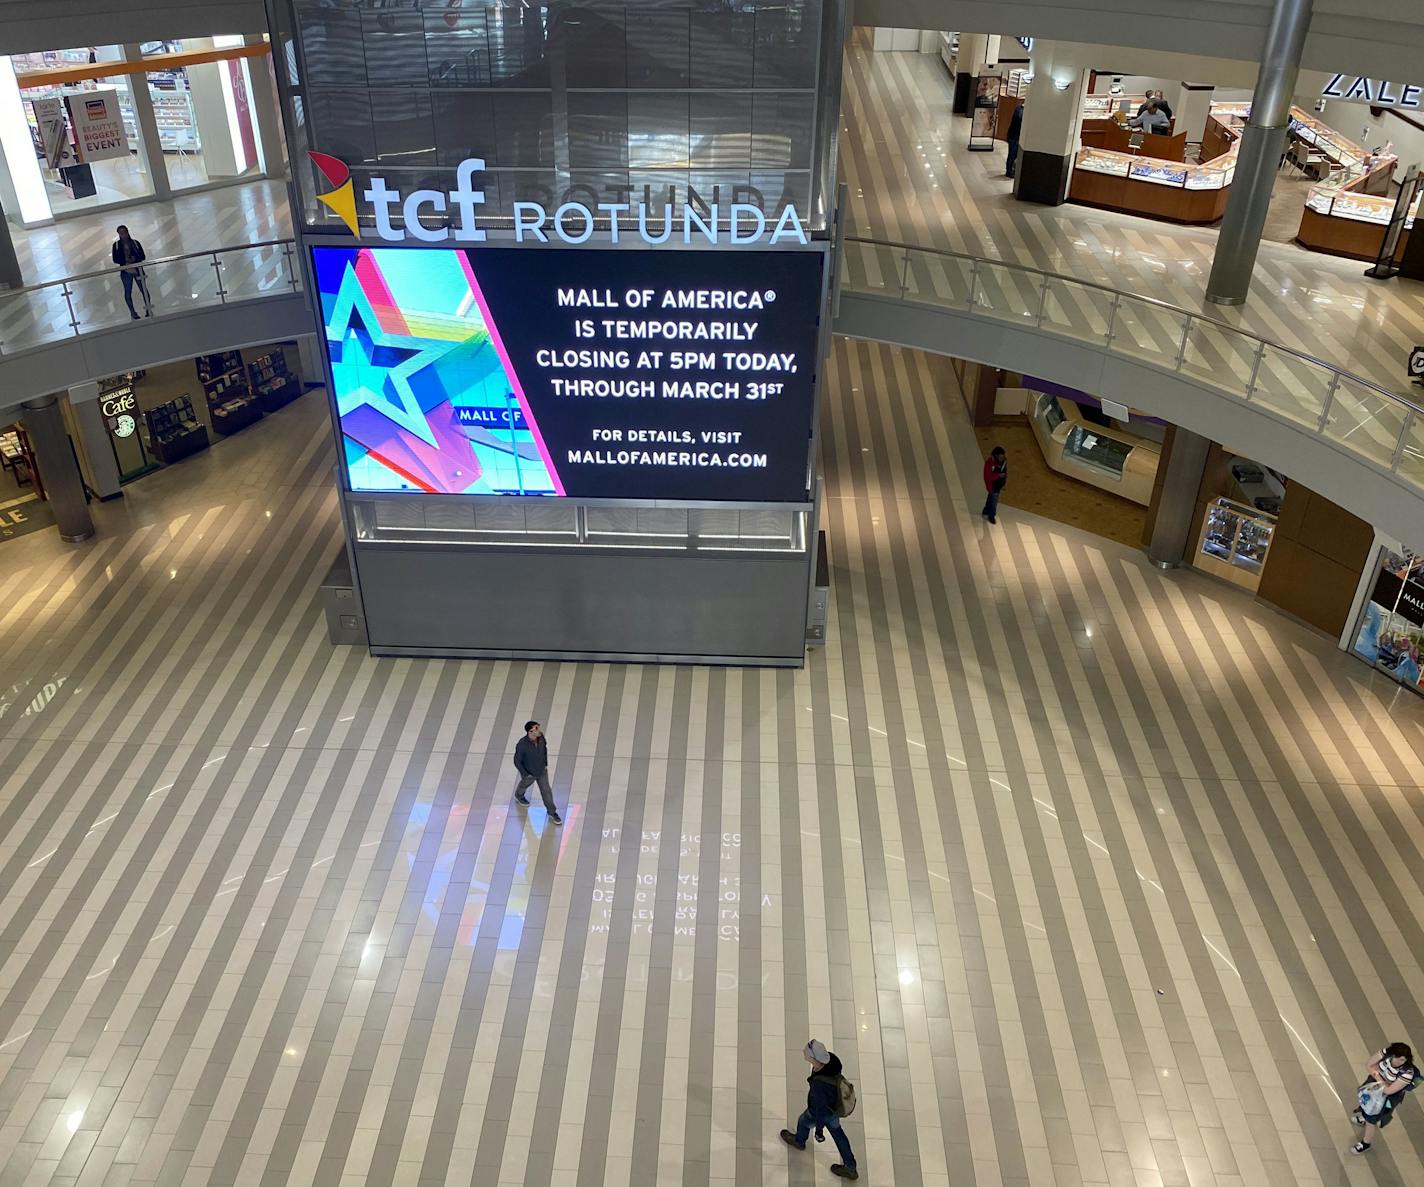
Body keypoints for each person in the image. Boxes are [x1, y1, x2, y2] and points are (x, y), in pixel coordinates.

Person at [780, 1040, 858, 1180]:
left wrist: (819, 1131)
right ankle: (850, 1167)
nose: (804, 1052)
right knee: (839, 1134)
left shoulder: (819, 1085)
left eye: (807, 1053)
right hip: (834, 1108)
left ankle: (799, 1141)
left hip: (822, 1111)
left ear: (813, 1059)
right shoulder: (832, 1060)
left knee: (803, 1121)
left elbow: (820, 1110)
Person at [1352, 1041, 1417, 1153]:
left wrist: (1377, 1075)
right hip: (1374, 1087)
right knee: (1365, 1103)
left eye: (1399, 1059)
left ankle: (1366, 1143)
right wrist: (1382, 1080)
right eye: (1394, 1057)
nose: (1395, 1061)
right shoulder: (1387, 1052)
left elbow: (1388, 1091)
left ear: (1405, 1059)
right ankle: (1364, 1118)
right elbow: (1368, 1065)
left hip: (1384, 1098)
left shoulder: (1407, 1073)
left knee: (1371, 1119)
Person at [512, 720, 561, 824]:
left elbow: (544, 749)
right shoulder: (522, 745)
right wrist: (525, 773)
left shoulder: (541, 737)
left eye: (538, 727)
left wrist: (545, 763)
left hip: (542, 770)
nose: (539, 730)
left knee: (546, 791)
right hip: (529, 772)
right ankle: (519, 795)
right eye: (536, 728)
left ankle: (552, 812)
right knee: (525, 784)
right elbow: (517, 761)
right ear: (530, 732)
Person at [112, 225, 151, 320]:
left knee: (143, 289)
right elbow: (115, 259)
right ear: (119, 234)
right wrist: (124, 259)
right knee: (128, 291)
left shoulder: (135, 243)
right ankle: (132, 312)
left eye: (124, 232)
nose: (124, 235)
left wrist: (134, 258)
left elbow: (142, 256)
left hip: (138, 269)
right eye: (121, 233)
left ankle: (148, 308)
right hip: (126, 271)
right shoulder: (116, 245)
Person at [982, 445, 1007, 524]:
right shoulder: (989, 464)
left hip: (998, 484)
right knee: (994, 500)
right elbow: (988, 477)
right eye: (1000, 457)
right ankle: (991, 515)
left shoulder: (1002, 462)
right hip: (992, 485)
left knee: (991, 497)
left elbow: (1005, 471)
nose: (1001, 459)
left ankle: (986, 510)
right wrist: (999, 475)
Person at [1005, 102, 1024, 179]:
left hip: (1013, 135)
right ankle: (1009, 171)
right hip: (1014, 137)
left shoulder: (1018, 108)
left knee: (1012, 155)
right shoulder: (1021, 111)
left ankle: (1010, 170)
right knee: (1012, 155)